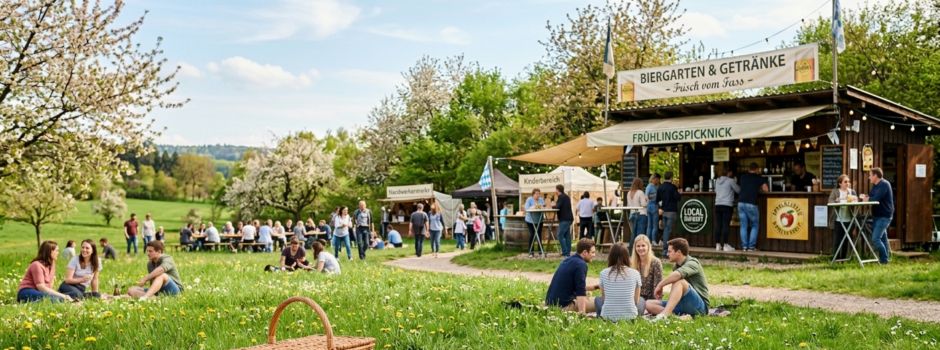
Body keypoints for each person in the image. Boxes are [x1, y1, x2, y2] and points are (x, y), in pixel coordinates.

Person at [646, 238, 710, 319]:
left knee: (679, 281)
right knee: (648, 304)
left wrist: (660, 285)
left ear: (679, 252)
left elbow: (677, 275)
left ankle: (664, 315)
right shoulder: (676, 267)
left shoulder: (693, 263)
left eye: (669, 251)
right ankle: (676, 317)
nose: (667, 254)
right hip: (683, 303)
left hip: (700, 307)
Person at [545, 238, 598, 314]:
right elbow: (580, 292)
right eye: (592, 252)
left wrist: (595, 287)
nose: (594, 255)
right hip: (563, 307)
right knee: (600, 302)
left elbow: (574, 286)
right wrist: (582, 314)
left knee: (588, 297)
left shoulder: (568, 260)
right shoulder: (581, 265)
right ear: (585, 252)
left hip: (550, 305)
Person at [594, 242, 642, 322]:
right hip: (630, 317)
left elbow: (604, 298)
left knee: (597, 300)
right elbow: (636, 301)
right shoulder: (635, 273)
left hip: (608, 317)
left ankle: (602, 315)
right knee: (642, 300)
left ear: (610, 256)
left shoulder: (603, 273)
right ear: (627, 256)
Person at [863, 167, 894, 264]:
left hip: (884, 215)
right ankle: (884, 261)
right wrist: (866, 197)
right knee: (883, 239)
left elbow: (876, 198)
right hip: (877, 215)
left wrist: (868, 199)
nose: (869, 177)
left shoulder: (884, 184)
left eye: (870, 175)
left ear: (875, 176)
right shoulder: (875, 186)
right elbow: (871, 197)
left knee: (875, 239)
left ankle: (884, 259)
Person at [738, 163, 769, 251]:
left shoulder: (743, 177)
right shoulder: (759, 178)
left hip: (740, 203)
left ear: (749, 169)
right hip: (751, 203)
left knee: (743, 225)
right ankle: (751, 247)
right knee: (754, 225)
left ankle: (744, 246)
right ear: (757, 169)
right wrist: (758, 188)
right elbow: (766, 190)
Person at [630, 234, 662, 315]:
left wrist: (654, 303)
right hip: (635, 299)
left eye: (643, 245)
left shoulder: (656, 262)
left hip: (650, 301)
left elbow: (658, 286)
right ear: (635, 248)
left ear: (648, 246)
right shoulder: (632, 263)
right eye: (638, 246)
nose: (641, 248)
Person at [714, 170, 740, 252]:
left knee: (718, 225)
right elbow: (738, 190)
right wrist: (735, 182)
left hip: (718, 204)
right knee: (725, 225)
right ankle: (725, 245)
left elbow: (716, 191)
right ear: (728, 173)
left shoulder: (717, 181)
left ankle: (717, 245)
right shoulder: (730, 181)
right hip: (727, 205)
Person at [656, 172, 681, 255]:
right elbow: (678, 198)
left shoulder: (660, 187)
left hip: (663, 211)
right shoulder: (673, 187)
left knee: (666, 229)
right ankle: (665, 250)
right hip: (671, 211)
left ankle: (663, 243)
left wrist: (660, 208)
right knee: (667, 229)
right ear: (671, 177)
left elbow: (657, 200)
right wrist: (679, 192)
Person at [626, 178, 649, 246]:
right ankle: (639, 247)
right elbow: (643, 204)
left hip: (632, 214)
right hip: (641, 214)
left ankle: (632, 248)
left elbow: (628, 205)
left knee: (633, 234)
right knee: (640, 234)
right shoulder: (640, 192)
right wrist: (647, 200)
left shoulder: (629, 193)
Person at [525, 189, 547, 257]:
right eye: (536, 193)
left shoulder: (541, 200)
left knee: (539, 235)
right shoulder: (529, 199)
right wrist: (533, 207)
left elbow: (544, 207)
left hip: (539, 220)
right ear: (533, 194)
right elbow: (526, 208)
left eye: (539, 193)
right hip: (530, 220)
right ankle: (531, 252)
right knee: (532, 234)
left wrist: (542, 207)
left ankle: (540, 252)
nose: (538, 195)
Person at [555, 184, 574, 257]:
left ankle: (565, 252)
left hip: (564, 219)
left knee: (560, 235)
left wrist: (552, 205)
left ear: (558, 190)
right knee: (567, 236)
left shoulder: (561, 197)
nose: (555, 191)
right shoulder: (566, 196)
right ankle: (568, 252)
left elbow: (558, 206)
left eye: (556, 190)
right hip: (569, 218)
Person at [645, 174, 661, 242]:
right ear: (654, 179)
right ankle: (653, 240)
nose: (658, 181)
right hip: (654, 206)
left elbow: (646, 197)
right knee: (654, 225)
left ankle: (648, 240)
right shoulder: (652, 187)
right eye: (658, 179)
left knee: (649, 225)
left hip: (649, 207)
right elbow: (646, 197)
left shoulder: (648, 186)